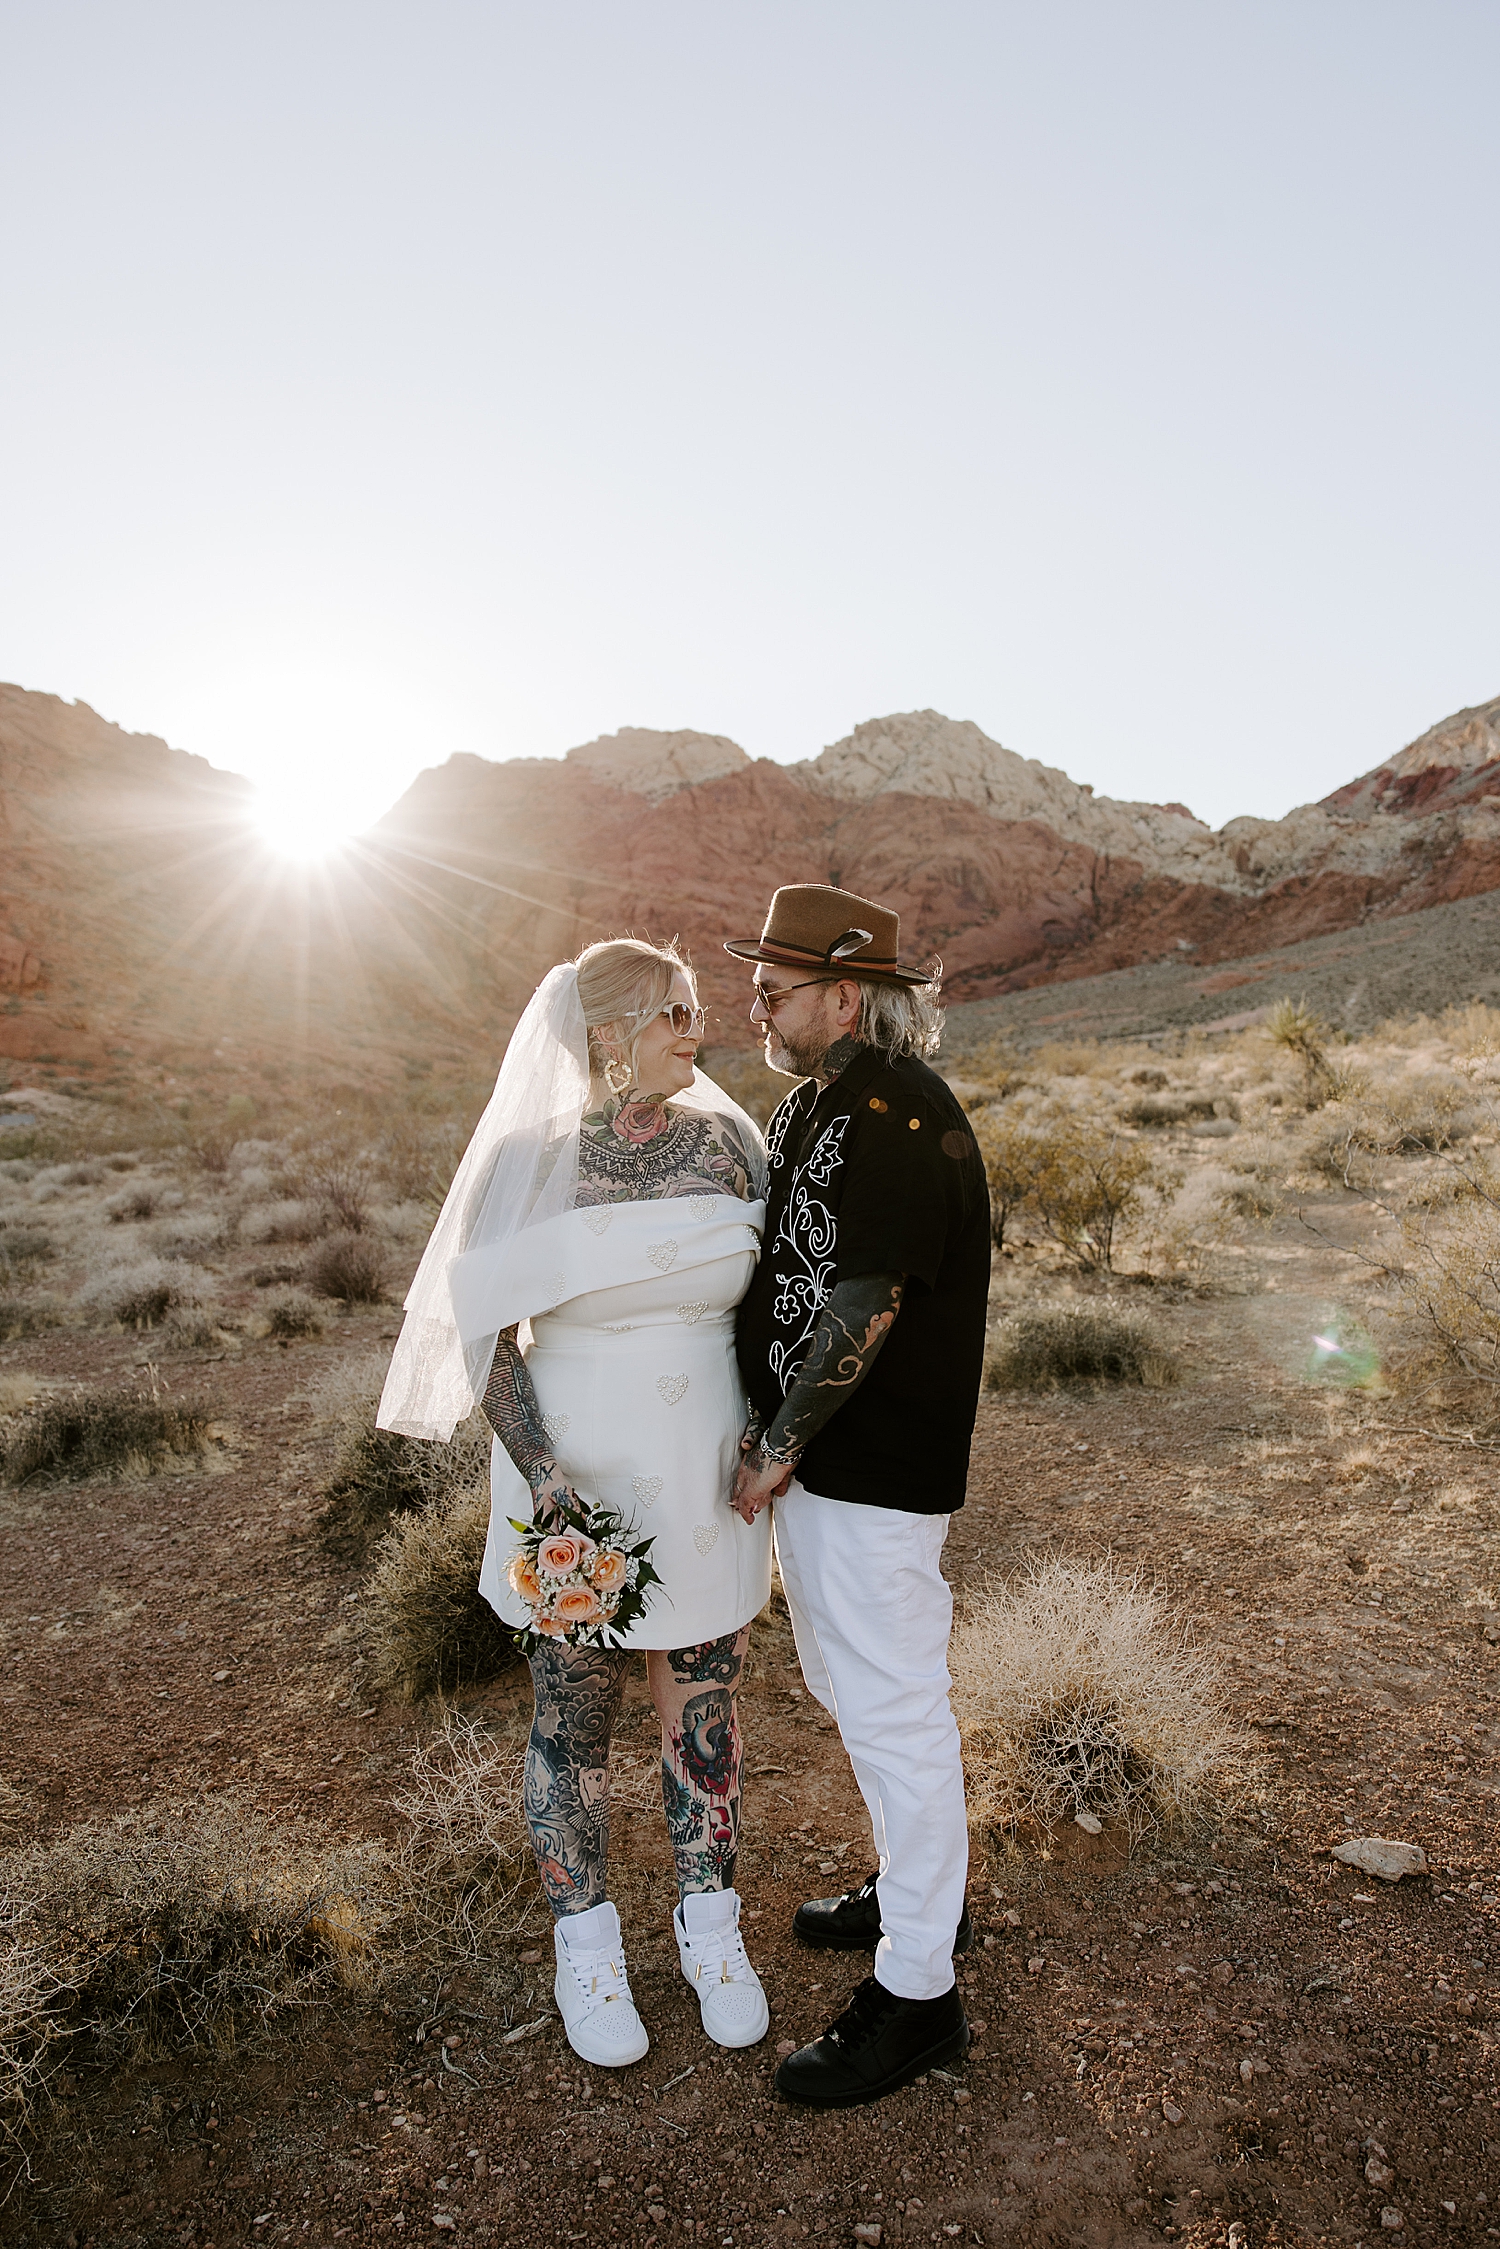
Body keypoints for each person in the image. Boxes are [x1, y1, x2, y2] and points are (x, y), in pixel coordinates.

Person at [378, 939, 773, 2069]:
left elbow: (775, 1305)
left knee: (705, 1703)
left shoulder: (732, 1144)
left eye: (696, 1011)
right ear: (606, 1033)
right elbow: (488, 1342)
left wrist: (768, 1429)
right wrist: (543, 1474)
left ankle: (711, 1928)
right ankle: (586, 1943)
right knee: (573, 1716)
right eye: (671, 1014)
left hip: (706, 1479)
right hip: (572, 1479)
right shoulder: (528, 1160)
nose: (696, 1032)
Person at [725, 884, 990, 2107]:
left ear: (846, 993)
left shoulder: (894, 1107)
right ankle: (914, 1886)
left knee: (894, 1708)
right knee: (848, 1683)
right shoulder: (812, 1103)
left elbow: (864, 1301)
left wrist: (776, 1439)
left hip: (869, 1465)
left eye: (775, 988)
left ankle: (920, 1993)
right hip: (824, 1464)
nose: (756, 1005)